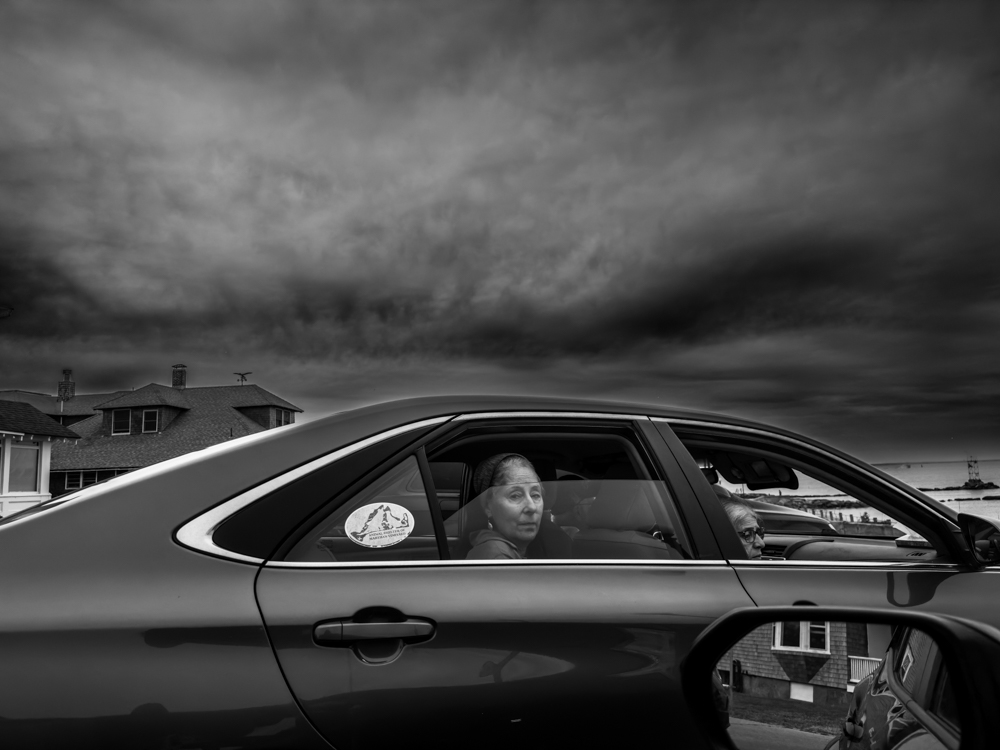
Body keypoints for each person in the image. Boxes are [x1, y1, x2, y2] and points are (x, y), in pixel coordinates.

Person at [466, 453, 544, 560]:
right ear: (488, 507)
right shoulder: (497, 556)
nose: (532, 507)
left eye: (535, 495)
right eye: (515, 496)